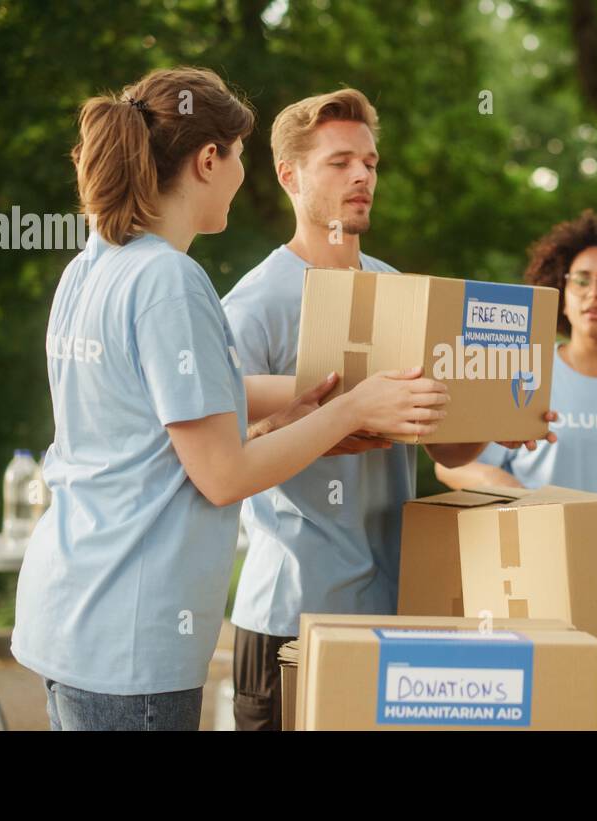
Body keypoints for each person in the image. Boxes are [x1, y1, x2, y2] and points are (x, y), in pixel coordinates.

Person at [11, 69, 448, 731]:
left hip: (69, 611)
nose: (245, 179)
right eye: (241, 157)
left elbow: (165, 418)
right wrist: (350, 411)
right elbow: (222, 477)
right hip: (132, 635)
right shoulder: (171, 281)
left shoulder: (92, 265)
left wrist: (291, 414)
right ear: (209, 161)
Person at [221, 88, 554, 731]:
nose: (362, 177)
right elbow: (224, 457)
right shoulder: (252, 306)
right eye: (340, 162)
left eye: (371, 163)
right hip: (291, 618)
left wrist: (507, 417)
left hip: (396, 611)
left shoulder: (399, 289)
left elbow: (443, 446)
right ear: (289, 175)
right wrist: (324, 424)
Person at [436, 205, 597, 499]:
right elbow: (449, 465)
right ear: (562, 296)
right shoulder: (521, 368)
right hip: (537, 540)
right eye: (581, 280)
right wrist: (502, 484)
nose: (594, 293)